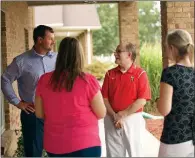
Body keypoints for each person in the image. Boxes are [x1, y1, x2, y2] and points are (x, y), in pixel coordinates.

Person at [35, 37, 106, 157]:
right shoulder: (88, 80)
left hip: (55, 144)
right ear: (79, 56)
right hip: (86, 143)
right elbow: (101, 113)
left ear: (60, 54)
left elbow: (39, 113)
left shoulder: (44, 80)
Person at [1, 25, 57, 157]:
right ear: (40, 40)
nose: (53, 42)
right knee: (33, 153)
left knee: (58, 151)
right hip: (33, 113)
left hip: (56, 112)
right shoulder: (21, 61)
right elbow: (5, 80)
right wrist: (17, 102)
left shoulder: (57, 58)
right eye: (50, 39)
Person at [101, 42, 151, 157]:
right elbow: (104, 98)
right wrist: (114, 115)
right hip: (111, 119)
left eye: (118, 51)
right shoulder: (109, 74)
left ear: (129, 55)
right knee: (113, 154)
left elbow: (142, 100)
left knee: (135, 153)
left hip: (132, 119)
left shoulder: (140, 74)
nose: (115, 54)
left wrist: (123, 114)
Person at [157, 29, 194, 157]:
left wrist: (158, 101)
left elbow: (164, 110)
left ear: (172, 48)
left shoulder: (170, 73)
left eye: (167, 48)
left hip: (175, 139)